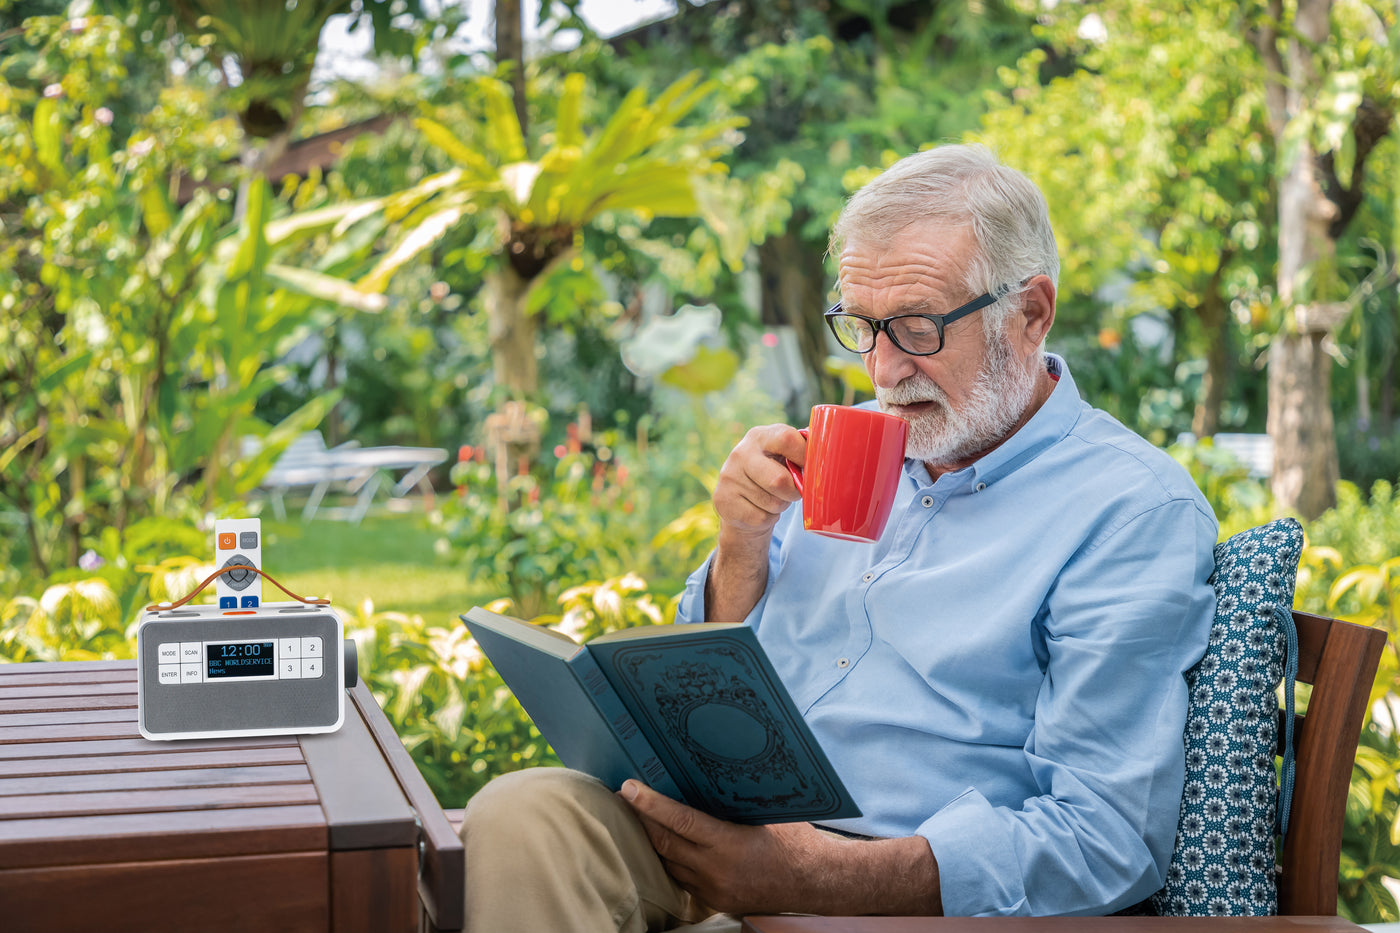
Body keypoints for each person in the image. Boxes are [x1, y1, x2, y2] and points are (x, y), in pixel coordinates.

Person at [458, 144, 1218, 929]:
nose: (884, 371)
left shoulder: (1130, 508)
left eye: (917, 328)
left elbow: (1105, 837)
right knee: (528, 812)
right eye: (861, 325)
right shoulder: (845, 456)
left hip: (896, 895)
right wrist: (742, 544)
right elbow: (703, 671)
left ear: (1029, 314)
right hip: (732, 837)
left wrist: (817, 877)